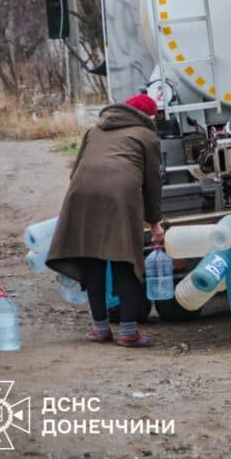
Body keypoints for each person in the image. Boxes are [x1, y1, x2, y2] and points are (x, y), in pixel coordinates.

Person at [47, 93, 165, 347]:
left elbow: (76, 169)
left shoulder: (94, 130)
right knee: (125, 260)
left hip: (82, 193)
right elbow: (153, 183)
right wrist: (155, 221)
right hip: (119, 194)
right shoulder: (147, 136)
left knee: (92, 260)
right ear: (147, 115)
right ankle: (128, 332)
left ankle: (100, 329)